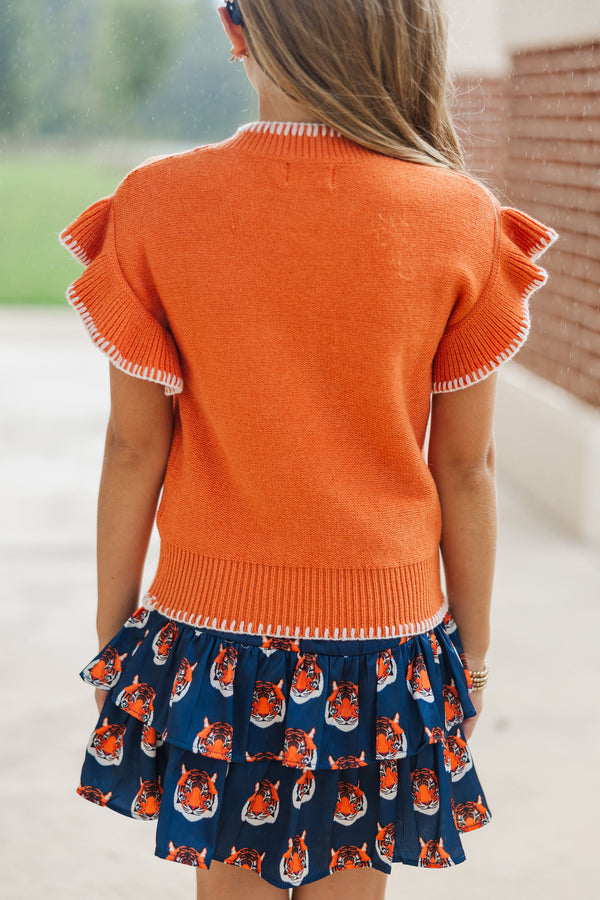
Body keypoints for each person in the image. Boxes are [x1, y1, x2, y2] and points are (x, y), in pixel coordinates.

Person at [60, 1, 558, 898]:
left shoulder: (157, 203)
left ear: (236, 30)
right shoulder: (460, 216)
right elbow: (465, 470)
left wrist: (113, 644)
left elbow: (134, 449)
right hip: (382, 648)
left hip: (213, 639)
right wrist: (470, 662)